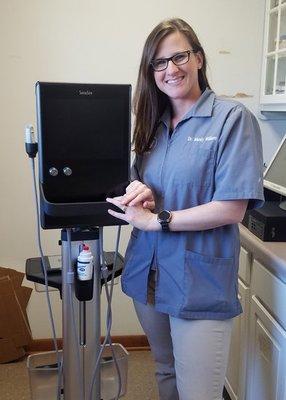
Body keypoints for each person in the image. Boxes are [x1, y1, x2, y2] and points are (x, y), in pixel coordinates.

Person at [106, 18, 264, 400]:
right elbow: (150, 191)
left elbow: (232, 208)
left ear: (198, 59)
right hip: (149, 276)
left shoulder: (231, 119)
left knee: (197, 391)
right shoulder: (151, 126)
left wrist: (157, 219)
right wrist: (140, 193)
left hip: (199, 281)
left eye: (178, 56)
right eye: (159, 63)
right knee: (165, 372)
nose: (170, 69)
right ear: (151, 72)